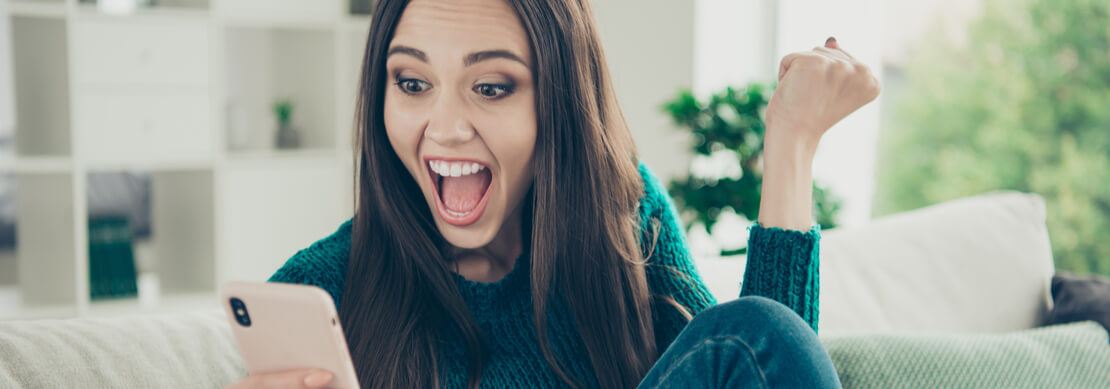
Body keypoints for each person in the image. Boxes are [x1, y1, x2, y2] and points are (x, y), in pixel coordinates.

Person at [228, 0, 879, 387]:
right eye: (412, 82)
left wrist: (791, 143)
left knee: (757, 332)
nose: (445, 128)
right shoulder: (320, 289)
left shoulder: (624, 220)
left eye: (490, 86)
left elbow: (763, 365)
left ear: (560, 102)